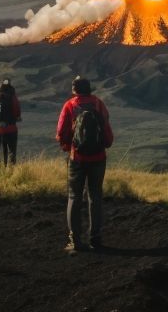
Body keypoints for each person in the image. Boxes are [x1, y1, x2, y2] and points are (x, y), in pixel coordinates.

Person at [55, 75, 114, 253]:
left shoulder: (70, 105)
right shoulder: (98, 104)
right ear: (90, 88)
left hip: (77, 158)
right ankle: (95, 238)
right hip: (98, 158)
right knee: (95, 197)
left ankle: (75, 241)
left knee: (74, 196)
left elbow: (61, 133)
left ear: (74, 90)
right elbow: (107, 134)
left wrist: (68, 147)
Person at [0, 78, 22, 166]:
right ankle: (11, 171)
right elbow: (17, 112)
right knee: (12, 152)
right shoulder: (13, 97)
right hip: (10, 129)